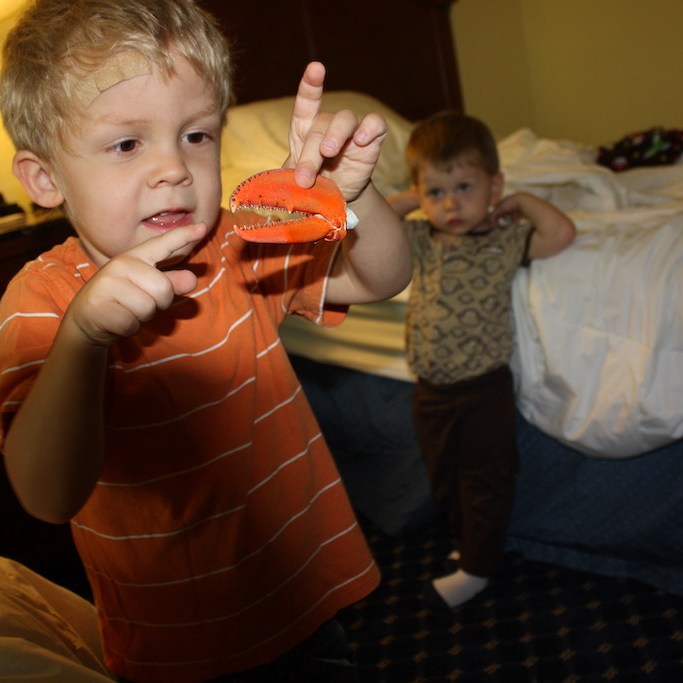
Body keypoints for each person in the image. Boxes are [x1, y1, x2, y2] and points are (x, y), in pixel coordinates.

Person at [0, 1, 412, 681]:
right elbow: (47, 494)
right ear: (45, 179)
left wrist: (348, 197)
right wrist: (83, 339)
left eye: (196, 136)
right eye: (128, 143)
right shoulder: (39, 302)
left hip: (300, 591)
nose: (173, 168)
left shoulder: (235, 245)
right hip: (179, 644)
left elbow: (383, 278)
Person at [388, 112, 575, 609]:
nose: (450, 203)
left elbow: (560, 235)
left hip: (483, 389)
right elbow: (365, 224)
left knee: (485, 480)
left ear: (492, 185)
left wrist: (517, 203)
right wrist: (413, 198)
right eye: (437, 192)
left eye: (465, 187)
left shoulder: (504, 239)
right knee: (444, 476)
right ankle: (469, 544)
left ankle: (479, 567)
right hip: (430, 390)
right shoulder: (419, 240)